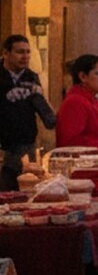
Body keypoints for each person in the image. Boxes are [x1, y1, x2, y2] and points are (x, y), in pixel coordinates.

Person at [0, 35, 56, 191]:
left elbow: (46, 113)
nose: (25, 56)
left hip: (26, 144)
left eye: (28, 52)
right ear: (6, 53)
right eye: (20, 52)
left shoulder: (31, 77)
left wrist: (51, 117)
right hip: (3, 146)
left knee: (24, 191)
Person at [56, 55, 98, 162]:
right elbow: (71, 144)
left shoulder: (91, 99)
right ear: (83, 77)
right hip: (87, 171)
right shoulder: (75, 102)